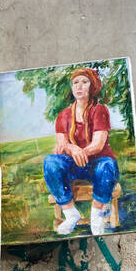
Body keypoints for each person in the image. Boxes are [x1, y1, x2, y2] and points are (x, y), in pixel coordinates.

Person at [42, 68, 121, 236]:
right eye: (75, 83)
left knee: (107, 166)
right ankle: (71, 214)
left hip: (96, 162)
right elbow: (62, 145)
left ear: (92, 87)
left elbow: (98, 144)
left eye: (84, 82)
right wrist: (72, 148)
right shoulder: (63, 115)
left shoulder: (99, 110)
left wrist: (78, 151)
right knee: (51, 162)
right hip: (74, 165)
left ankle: (97, 216)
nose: (79, 86)